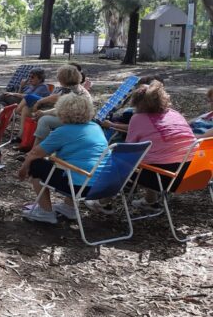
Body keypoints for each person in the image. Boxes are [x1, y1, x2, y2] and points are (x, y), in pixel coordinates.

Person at [18, 94, 108, 223]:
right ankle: (69, 208)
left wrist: (23, 170)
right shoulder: (96, 127)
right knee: (77, 164)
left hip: (80, 187)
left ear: (62, 111)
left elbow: (34, 154)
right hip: (103, 185)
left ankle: (46, 211)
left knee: (36, 165)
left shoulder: (63, 131)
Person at [122, 82, 197, 211]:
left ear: (137, 103)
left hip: (164, 178)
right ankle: (150, 201)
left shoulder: (138, 118)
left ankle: (103, 202)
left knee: (129, 162)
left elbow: (130, 149)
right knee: (155, 157)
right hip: (193, 172)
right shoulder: (175, 114)